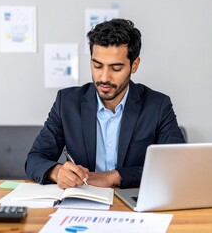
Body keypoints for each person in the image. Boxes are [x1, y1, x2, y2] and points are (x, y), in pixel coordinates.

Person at [25, 18, 185, 189]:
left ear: (134, 65)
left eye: (116, 68)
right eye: (97, 65)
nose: (104, 78)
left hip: (134, 202)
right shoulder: (67, 103)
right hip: (82, 202)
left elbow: (178, 166)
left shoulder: (158, 105)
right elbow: (35, 159)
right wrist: (56, 172)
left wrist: (116, 177)